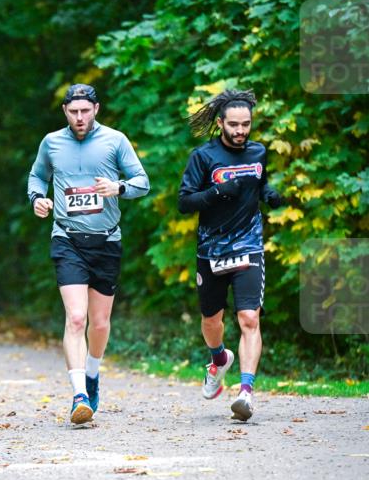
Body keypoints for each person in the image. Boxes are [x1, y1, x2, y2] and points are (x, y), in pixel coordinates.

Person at [27, 84, 150, 424]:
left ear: (96, 108)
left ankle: (92, 374)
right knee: (77, 318)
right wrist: (37, 198)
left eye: (84, 111)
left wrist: (118, 188)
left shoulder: (115, 140)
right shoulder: (52, 142)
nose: (79, 118)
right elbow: (37, 176)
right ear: (65, 112)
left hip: (107, 241)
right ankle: (79, 394)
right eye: (72, 112)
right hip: (67, 239)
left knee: (99, 322)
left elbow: (143, 181)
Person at [178, 88, 284, 422]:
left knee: (249, 318)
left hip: (248, 245)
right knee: (211, 320)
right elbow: (184, 203)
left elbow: (259, 184)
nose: (240, 131)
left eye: (246, 124)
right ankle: (218, 359)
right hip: (211, 250)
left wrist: (270, 195)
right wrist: (214, 192)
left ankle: (246, 393)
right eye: (234, 125)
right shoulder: (203, 156)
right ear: (221, 123)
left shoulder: (258, 152)